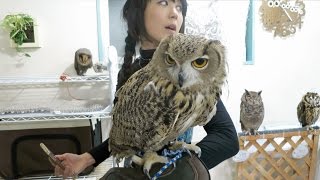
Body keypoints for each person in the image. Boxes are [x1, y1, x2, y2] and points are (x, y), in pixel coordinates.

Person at [54, 0, 239, 178]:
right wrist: (87, 159)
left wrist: (179, 168)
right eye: (164, 2)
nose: (175, 13)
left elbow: (227, 138)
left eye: (180, 7)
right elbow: (129, 134)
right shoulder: (133, 71)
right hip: (140, 170)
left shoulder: (194, 78)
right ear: (137, 12)